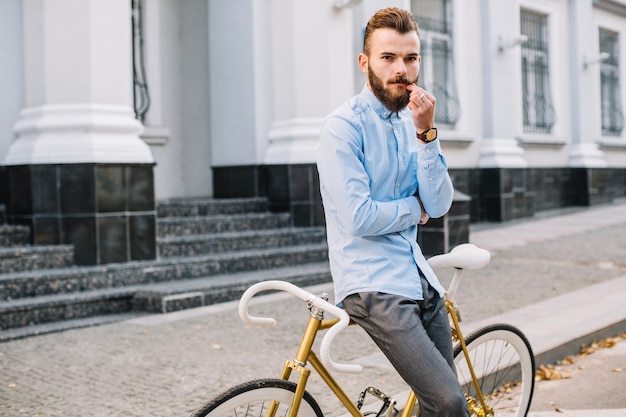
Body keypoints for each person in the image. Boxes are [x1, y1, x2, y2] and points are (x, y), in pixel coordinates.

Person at [316, 7, 467, 417]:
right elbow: (359, 217)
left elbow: (438, 204)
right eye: (389, 58)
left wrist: (426, 134)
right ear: (365, 63)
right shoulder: (343, 128)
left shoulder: (414, 121)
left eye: (411, 58)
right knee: (449, 401)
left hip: (418, 275)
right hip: (372, 286)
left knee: (439, 401)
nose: (402, 69)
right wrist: (411, 208)